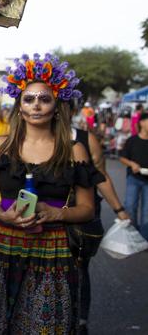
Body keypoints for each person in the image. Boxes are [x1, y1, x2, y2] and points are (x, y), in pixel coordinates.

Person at [0, 53, 104, 334]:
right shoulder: (1, 146)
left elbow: (87, 208)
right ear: (19, 106)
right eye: (29, 99)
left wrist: (55, 213)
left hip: (54, 250)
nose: (36, 105)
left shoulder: (75, 150)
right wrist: (5, 215)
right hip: (4, 246)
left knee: (46, 326)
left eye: (44, 99)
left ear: (57, 105)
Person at [70, 104, 131, 334]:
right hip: (47, 219)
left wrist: (119, 208)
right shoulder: (30, 138)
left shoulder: (85, 139)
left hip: (83, 218)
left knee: (79, 269)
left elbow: (101, 176)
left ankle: (81, 321)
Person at [119, 111, 148, 241]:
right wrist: (132, 164)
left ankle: (144, 239)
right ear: (142, 123)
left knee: (147, 212)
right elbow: (122, 158)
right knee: (130, 206)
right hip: (134, 178)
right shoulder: (132, 140)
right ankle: (133, 236)